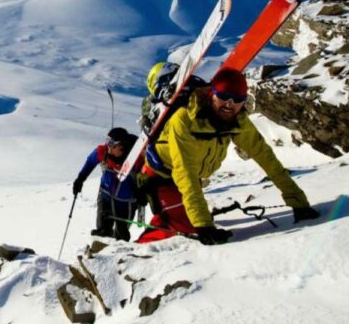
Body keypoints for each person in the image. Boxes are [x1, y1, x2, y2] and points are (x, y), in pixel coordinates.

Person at [136, 68, 320, 245]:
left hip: (190, 176)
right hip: (159, 176)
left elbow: (267, 160)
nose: (229, 104)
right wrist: (203, 225)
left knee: (191, 220)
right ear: (211, 93)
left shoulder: (238, 121)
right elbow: (184, 171)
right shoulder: (184, 119)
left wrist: (299, 203)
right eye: (223, 97)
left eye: (237, 99)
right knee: (184, 227)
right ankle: (133, 253)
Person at [73, 127, 139, 241]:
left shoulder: (135, 157)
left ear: (120, 145)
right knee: (103, 231)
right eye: (107, 141)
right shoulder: (102, 151)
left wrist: (143, 192)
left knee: (121, 235)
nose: (107, 145)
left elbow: (147, 175)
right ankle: (100, 250)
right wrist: (80, 179)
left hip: (126, 201)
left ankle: (119, 253)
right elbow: (90, 162)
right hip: (106, 195)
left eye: (111, 143)